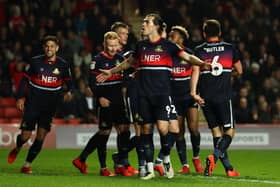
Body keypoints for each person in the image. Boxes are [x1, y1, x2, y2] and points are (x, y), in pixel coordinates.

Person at [97, 13, 209, 180]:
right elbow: (129, 62)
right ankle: (149, 167)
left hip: (162, 96)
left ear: (156, 26)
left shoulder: (168, 46)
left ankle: (165, 158)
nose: (143, 24)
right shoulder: (140, 45)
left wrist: (202, 64)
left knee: (165, 130)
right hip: (144, 96)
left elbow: (187, 57)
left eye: (147, 22)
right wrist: (111, 71)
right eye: (143, 22)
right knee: (146, 130)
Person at [7, 35, 73, 174]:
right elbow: (24, 81)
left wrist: (70, 92)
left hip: (49, 107)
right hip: (32, 104)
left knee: (41, 136)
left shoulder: (63, 64)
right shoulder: (35, 62)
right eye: (47, 46)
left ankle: (27, 165)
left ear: (57, 48)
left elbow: (70, 82)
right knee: (25, 136)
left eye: (52, 46)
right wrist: (20, 98)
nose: (49, 48)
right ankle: (18, 148)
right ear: (44, 48)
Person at [190, 19, 242, 177]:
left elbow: (195, 71)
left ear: (204, 33)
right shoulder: (229, 48)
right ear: (220, 33)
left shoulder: (198, 50)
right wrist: (228, 74)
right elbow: (239, 70)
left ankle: (229, 169)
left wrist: (193, 93)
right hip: (223, 96)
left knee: (216, 132)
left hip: (206, 97)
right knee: (230, 131)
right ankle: (215, 156)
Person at [72, 31, 128, 177]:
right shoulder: (97, 60)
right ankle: (103, 168)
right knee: (105, 132)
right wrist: (100, 97)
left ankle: (121, 164)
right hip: (105, 101)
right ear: (104, 44)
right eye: (109, 45)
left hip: (118, 101)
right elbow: (91, 83)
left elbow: (125, 77)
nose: (112, 48)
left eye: (115, 45)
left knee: (124, 130)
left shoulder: (120, 59)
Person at [154, 25, 204, 175]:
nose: (170, 37)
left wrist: (194, 92)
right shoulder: (167, 54)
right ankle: (185, 164)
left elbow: (196, 69)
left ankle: (196, 157)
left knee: (194, 129)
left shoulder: (188, 53)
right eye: (169, 35)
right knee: (178, 132)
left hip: (189, 96)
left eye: (173, 35)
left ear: (181, 38)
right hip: (174, 98)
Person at [110, 21, 140, 176]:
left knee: (125, 130)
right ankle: (121, 162)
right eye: (123, 33)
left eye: (127, 33)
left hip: (125, 95)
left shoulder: (127, 55)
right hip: (113, 96)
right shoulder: (110, 55)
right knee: (122, 130)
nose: (126, 35)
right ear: (115, 35)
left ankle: (122, 161)